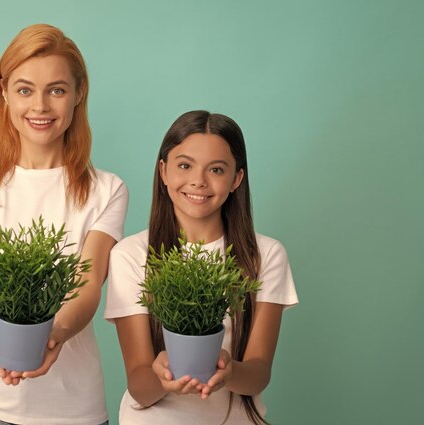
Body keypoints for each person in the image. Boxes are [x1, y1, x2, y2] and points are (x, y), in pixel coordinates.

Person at [0, 24, 128, 425]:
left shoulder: (106, 190)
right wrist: (2, 344)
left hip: (72, 410)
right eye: (25, 90)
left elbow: (89, 280)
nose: (40, 106)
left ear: (79, 94)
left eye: (56, 90)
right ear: (4, 92)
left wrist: (54, 335)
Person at [105, 110, 298, 424]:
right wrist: (163, 377)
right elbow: (139, 384)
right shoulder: (131, 254)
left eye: (217, 170)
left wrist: (229, 371)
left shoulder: (264, 255)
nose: (198, 181)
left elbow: (259, 373)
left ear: (237, 178)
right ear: (164, 171)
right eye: (184, 165)